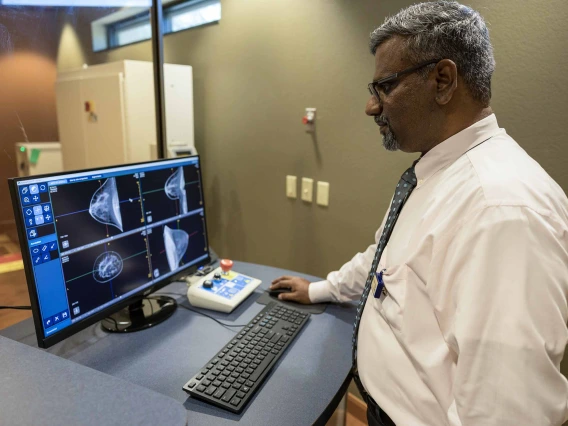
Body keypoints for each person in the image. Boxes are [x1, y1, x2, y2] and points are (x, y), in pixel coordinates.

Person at [270, 2, 568, 425]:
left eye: (384, 87)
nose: (372, 108)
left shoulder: (500, 210)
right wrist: (320, 290)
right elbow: (385, 262)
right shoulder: (436, 174)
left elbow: (509, 412)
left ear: (443, 80)